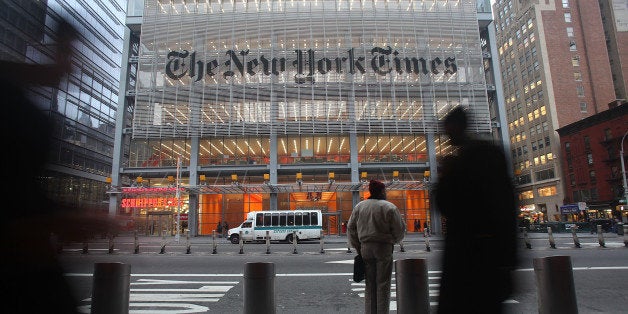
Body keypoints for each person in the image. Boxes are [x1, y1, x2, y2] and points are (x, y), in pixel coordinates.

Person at [0, 19, 118, 313]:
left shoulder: (19, 98)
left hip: (33, 262)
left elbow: (20, 187)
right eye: (64, 51)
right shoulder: (10, 102)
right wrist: (60, 219)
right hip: (20, 263)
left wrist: (64, 215)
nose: (69, 66)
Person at [434, 107, 518, 314]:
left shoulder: (464, 160)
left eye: (448, 130)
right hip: (489, 255)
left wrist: (444, 177)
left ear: (456, 127)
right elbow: (507, 207)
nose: (446, 135)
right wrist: (508, 260)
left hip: (467, 255)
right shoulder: (491, 153)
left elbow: (446, 205)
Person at [347, 179, 406, 314]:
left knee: (370, 284)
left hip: (365, 248)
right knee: (383, 284)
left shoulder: (360, 207)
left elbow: (351, 228)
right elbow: (399, 230)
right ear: (382, 191)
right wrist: (394, 240)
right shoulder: (389, 207)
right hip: (383, 247)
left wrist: (358, 246)